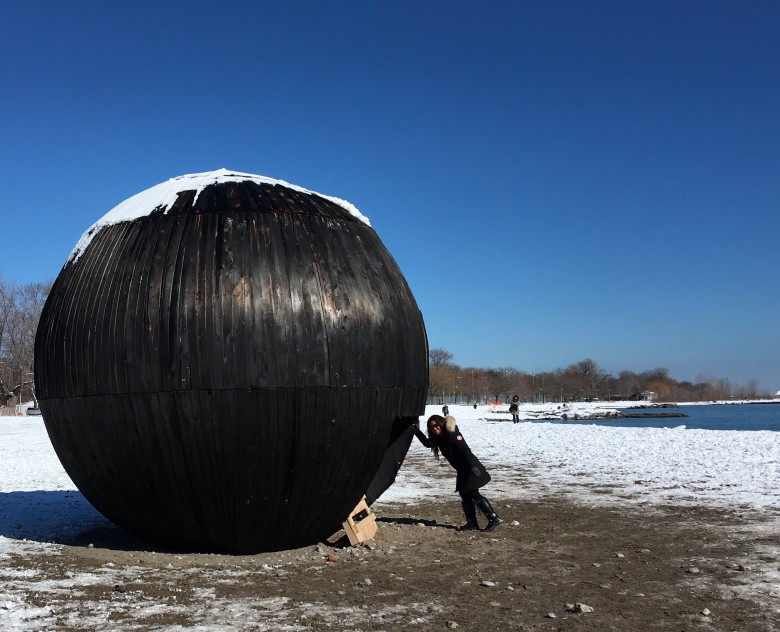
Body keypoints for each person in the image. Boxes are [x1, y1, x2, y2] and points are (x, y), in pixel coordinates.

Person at [414, 414, 502, 532]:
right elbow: (427, 443)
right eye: (432, 428)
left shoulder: (452, 434)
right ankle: (472, 523)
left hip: (470, 467)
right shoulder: (439, 438)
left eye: (436, 425)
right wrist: (415, 430)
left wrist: (473, 468)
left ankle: (493, 517)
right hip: (462, 470)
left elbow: (465, 450)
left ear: (441, 424)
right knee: (464, 494)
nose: (435, 429)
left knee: (472, 493)